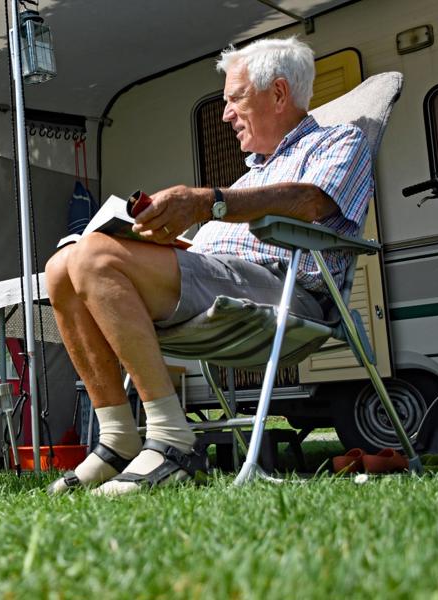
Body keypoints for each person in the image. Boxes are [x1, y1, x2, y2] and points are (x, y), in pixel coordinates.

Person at [45, 37, 372, 496]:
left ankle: (172, 441)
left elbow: (311, 200)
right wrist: (156, 240)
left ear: (278, 94)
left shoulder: (338, 141)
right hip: (218, 281)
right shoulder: (250, 174)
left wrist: (207, 202)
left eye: (234, 98)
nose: (225, 115)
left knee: (93, 256)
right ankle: (118, 439)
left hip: (287, 291)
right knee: (61, 267)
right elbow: (202, 256)